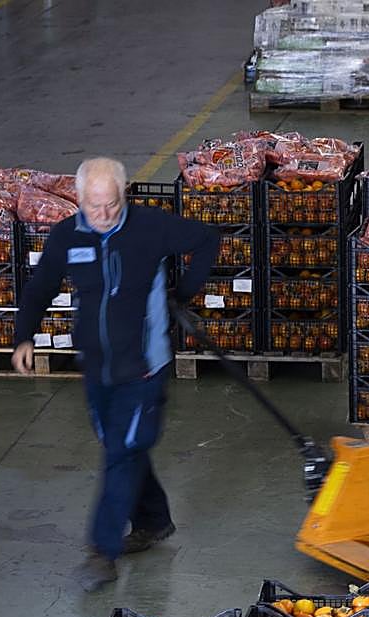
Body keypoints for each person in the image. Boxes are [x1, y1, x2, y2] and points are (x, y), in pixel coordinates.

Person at [13, 157, 220, 592]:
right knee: (120, 445)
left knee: (120, 452)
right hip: (97, 365)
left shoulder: (149, 227)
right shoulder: (68, 236)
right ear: (80, 198)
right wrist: (24, 336)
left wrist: (181, 294)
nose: (103, 215)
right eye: (93, 206)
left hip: (144, 367)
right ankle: (155, 519)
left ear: (122, 195)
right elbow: (40, 286)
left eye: (110, 205)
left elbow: (206, 240)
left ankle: (100, 551)